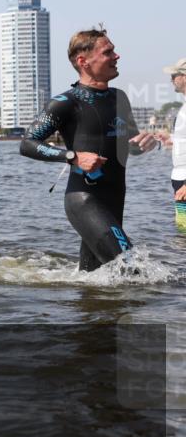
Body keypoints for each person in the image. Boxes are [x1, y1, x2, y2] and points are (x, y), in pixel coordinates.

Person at [20, 28, 158, 271]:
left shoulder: (119, 98)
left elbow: (128, 144)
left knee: (94, 280)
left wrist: (141, 145)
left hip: (115, 199)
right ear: (83, 61)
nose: (117, 56)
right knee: (132, 269)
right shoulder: (65, 103)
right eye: (108, 52)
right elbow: (27, 143)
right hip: (85, 200)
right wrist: (72, 157)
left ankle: (87, 307)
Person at [158, 57, 186, 232]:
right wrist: (171, 141)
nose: (171, 80)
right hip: (180, 178)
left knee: (184, 230)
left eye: (174, 75)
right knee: (183, 229)